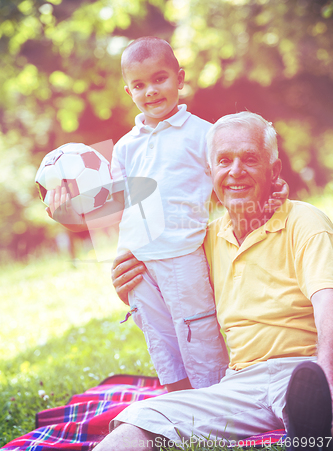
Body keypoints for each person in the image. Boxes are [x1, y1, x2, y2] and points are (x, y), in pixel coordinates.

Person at [47, 37, 287, 393]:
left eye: (160, 79)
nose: (151, 91)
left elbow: (229, 186)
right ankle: (176, 398)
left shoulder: (204, 134)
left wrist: (270, 192)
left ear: (179, 78)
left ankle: (213, 398)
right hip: (137, 261)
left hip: (183, 255)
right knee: (159, 336)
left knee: (197, 330)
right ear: (128, 90)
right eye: (140, 85)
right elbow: (112, 207)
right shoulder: (125, 146)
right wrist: (67, 212)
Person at [94, 112, 333, 451]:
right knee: (139, 420)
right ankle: (308, 432)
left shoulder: (305, 221)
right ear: (210, 172)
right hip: (239, 385)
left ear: (274, 171)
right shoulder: (201, 241)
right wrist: (132, 293)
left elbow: (328, 304)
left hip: (305, 370)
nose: (236, 171)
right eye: (224, 161)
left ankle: (311, 428)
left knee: (309, 406)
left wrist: (327, 380)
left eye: (250, 159)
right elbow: (179, 307)